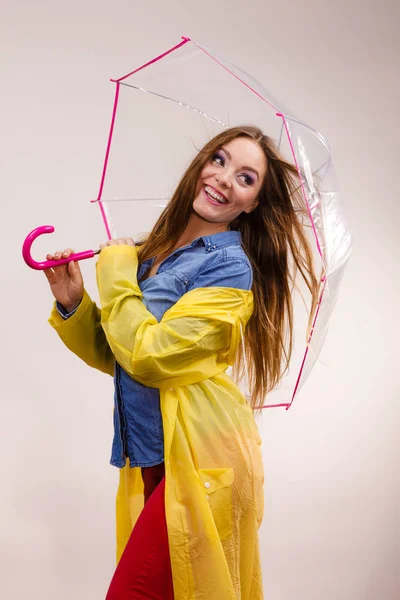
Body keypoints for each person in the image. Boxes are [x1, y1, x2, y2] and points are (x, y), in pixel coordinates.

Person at [44, 126, 320, 599]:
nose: (225, 178)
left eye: (246, 178)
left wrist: (114, 272)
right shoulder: (154, 254)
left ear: (252, 203)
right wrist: (74, 303)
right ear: (200, 167)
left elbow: (152, 358)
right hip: (151, 453)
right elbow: (123, 356)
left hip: (203, 461)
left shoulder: (229, 268)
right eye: (219, 160)